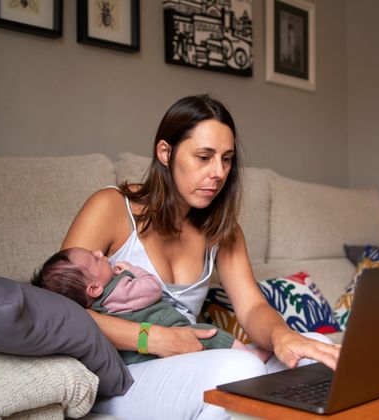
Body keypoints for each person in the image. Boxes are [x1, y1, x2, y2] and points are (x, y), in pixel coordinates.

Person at [61, 94, 340, 418]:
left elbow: (251, 307)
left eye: (226, 159)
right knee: (240, 368)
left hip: (192, 361)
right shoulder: (110, 207)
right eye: (204, 157)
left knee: (313, 353)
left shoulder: (223, 229)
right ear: (165, 153)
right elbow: (60, 311)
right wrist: (152, 338)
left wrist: (283, 336)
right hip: (121, 374)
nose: (219, 172)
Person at [31, 247, 271, 364]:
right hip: (165, 328)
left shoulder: (99, 301)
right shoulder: (120, 290)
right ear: (93, 289)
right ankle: (249, 356)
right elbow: (152, 288)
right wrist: (132, 270)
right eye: (95, 259)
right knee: (213, 335)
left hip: (144, 353)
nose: (99, 252)